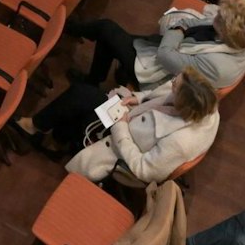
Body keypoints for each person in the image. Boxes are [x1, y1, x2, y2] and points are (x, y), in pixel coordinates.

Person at [22, 67, 220, 185]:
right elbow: (158, 95)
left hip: (121, 145)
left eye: (175, 85)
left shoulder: (180, 141)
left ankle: (52, 137)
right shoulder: (201, 104)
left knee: (81, 106)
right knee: (81, 94)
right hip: (130, 120)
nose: (172, 83)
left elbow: (144, 170)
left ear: (183, 102)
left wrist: (121, 128)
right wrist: (137, 98)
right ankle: (43, 129)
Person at [68, 0, 245, 94]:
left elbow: (166, 57)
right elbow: (193, 23)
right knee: (108, 38)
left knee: (106, 29)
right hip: (170, 48)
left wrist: (177, 31)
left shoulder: (218, 65)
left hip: (160, 77)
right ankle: (93, 80)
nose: (214, 15)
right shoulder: (234, 34)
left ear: (225, 31)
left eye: (218, 17)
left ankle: (70, 29)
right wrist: (179, 29)